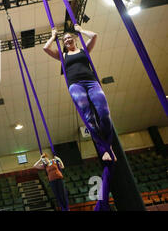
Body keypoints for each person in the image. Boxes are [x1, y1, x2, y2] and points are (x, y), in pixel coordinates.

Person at [43, 25, 116, 210]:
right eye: (65, 40)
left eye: (69, 38)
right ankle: (106, 149)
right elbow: (45, 48)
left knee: (104, 113)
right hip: (75, 85)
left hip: (91, 82)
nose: (67, 41)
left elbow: (95, 34)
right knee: (89, 118)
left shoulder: (84, 50)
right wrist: (53, 36)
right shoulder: (63, 55)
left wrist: (80, 29)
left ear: (74, 39)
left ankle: (108, 146)